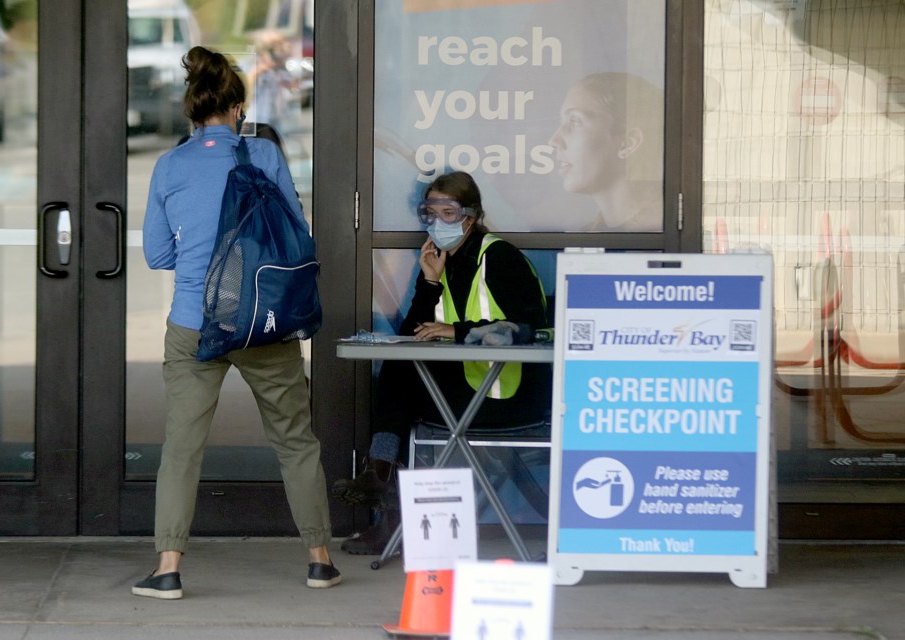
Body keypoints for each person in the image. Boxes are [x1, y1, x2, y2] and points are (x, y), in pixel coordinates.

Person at [133, 45, 341, 599]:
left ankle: (168, 568)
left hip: (193, 323)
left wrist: (199, 253)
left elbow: (156, 254)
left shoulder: (169, 165)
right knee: (295, 439)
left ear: (192, 109)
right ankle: (320, 560)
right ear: (238, 108)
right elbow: (294, 233)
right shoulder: (263, 156)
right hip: (261, 319)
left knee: (182, 447)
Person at [332, 171, 551, 555]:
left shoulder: (499, 257)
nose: (437, 222)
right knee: (399, 368)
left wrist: (457, 330)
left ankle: (382, 490)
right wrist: (430, 281)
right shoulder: (440, 259)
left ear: (472, 215)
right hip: (469, 389)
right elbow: (413, 331)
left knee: (400, 377)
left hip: (508, 396)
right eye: (428, 212)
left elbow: (533, 327)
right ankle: (383, 490)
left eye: (447, 212)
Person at [548, 72, 664, 232]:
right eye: (562, 123)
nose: (554, 141)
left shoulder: (660, 237)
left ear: (627, 143)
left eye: (574, 121)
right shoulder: (584, 240)